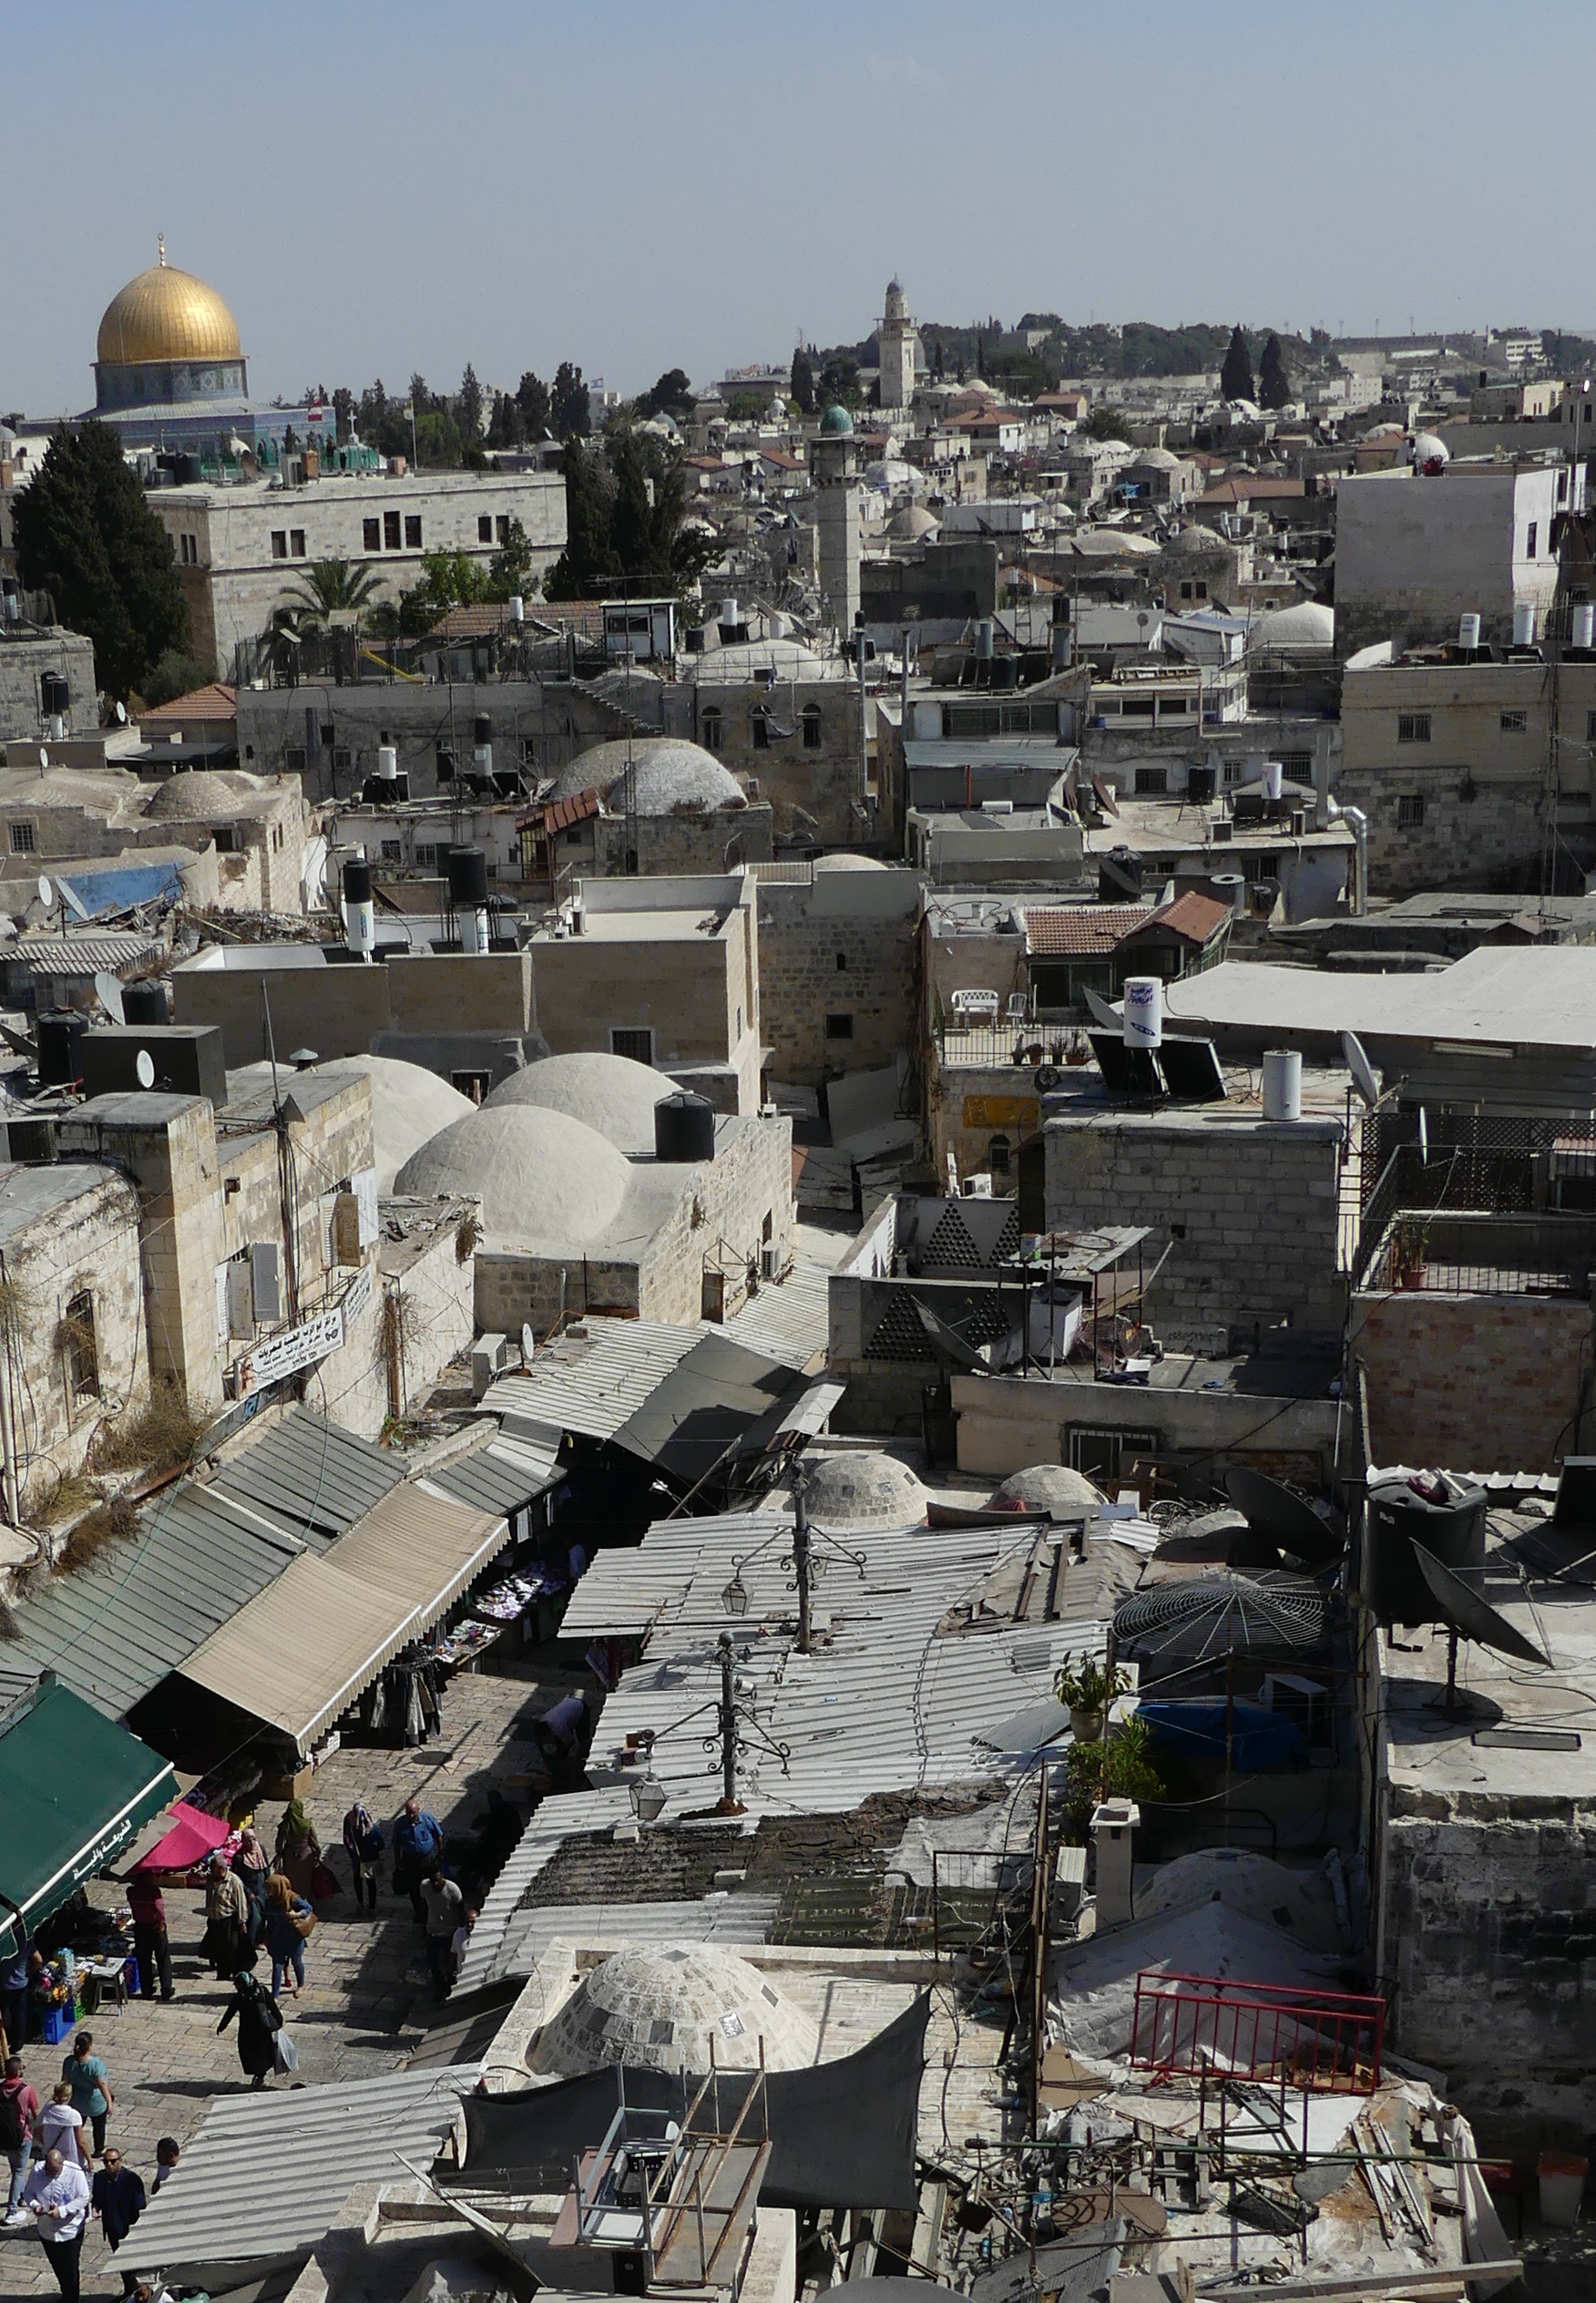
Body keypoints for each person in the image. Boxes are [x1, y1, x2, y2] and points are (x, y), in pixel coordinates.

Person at [22, 2147, 91, 2303]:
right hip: (47, 2231)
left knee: (71, 2268)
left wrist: (62, 2211)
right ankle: (66, 2294)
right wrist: (35, 2206)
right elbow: (28, 2193)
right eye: (48, 2169)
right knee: (57, 2265)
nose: (50, 2173)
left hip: (70, 2231)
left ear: (62, 2163)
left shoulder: (75, 2173)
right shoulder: (38, 2171)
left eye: (54, 2170)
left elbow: (83, 2197)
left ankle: (72, 2298)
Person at [91, 2148, 146, 2297]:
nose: (109, 2165)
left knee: (134, 2264)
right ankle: (129, 2290)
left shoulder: (131, 2180)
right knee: (121, 2263)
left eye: (113, 2161)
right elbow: (98, 2198)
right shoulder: (99, 2178)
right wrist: (95, 2208)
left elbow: (140, 2207)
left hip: (128, 2230)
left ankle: (141, 2292)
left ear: (120, 2161)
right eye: (106, 2162)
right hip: (112, 2229)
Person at [217, 1968, 281, 2089]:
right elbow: (273, 2007)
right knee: (263, 2053)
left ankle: (259, 2075)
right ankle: (260, 2074)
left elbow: (229, 2013)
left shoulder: (239, 1997)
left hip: (248, 2031)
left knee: (253, 2055)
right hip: (262, 2030)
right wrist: (279, 2020)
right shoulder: (262, 1991)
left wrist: (222, 2026)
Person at [392, 1799, 445, 1924]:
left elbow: (439, 1834)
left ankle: (431, 1909)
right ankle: (418, 1912)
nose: (411, 1816)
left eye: (414, 1813)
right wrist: (397, 1859)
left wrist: (441, 1851)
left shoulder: (427, 1819)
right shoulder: (400, 1824)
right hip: (410, 1859)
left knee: (430, 1883)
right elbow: (396, 1842)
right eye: (409, 1813)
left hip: (427, 1857)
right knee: (413, 1886)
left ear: (418, 1811)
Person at [2, 2052, 39, 2225]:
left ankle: (22, 2196)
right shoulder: (27, 2090)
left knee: (15, 2166)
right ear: (18, 2072)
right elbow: (35, 2113)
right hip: (22, 2136)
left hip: (4, 2137)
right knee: (18, 2171)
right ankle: (12, 2211)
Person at [261, 1874, 312, 2001]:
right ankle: (275, 1996)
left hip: (293, 1938)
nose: (268, 1891)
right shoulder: (270, 1901)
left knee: (296, 1961)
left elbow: (308, 1908)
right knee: (277, 1965)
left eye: (270, 1888)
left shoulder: (292, 1898)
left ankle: (301, 1985)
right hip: (277, 1938)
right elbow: (268, 1920)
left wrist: (296, 1914)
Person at [60, 2034, 111, 2158]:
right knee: (99, 2126)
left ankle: (74, 2144)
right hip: (95, 2102)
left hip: (76, 2101)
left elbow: (64, 2081)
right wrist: (109, 2102)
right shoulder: (95, 2064)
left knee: (77, 2125)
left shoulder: (69, 2062)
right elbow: (102, 2084)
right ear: (89, 2046)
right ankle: (99, 2148)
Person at [125, 1875, 173, 2004]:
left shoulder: (131, 1891)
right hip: (155, 1927)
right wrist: (162, 1924)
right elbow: (159, 1909)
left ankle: (146, 1990)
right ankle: (166, 1989)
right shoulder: (154, 1891)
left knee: (144, 1960)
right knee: (163, 1959)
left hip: (141, 1928)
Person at [420, 1866, 465, 2002]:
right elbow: (423, 1905)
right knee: (433, 1962)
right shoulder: (424, 1887)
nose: (436, 1884)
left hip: (448, 1933)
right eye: (433, 1881)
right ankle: (439, 1986)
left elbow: (460, 1910)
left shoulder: (453, 1890)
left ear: (443, 1877)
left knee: (448, 1962)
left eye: (438, 1880)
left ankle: (449, 1986)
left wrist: (459, 1930)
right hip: (432, 1931)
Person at [203, 1853, 250, 1980]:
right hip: (214, 1920)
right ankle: (222, 1974)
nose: (212, 1870)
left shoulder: (234, 1882)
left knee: (231, 1948)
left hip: (228, 1920)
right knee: (218, 1949)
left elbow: (241, 1903)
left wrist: (242, 1921)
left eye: (214, 1867)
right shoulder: (211, 1880)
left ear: (221, 1868)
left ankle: (236, 1974)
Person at [342, 1803, 384, 1917]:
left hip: (358, 1859)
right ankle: (371, 1907)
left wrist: (352, 1851)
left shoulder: (351, 1823)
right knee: (370, 1883)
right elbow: (381, 1844)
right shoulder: (372, 1829)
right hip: (368, 1859)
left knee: (358, 1880)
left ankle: (361, 1904)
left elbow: (346, 1838)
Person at [273, 1801, 321, 1899]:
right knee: (305, 1880)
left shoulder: (285, 1826)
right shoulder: (307, 1825)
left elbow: (279, 1843)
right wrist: (317, 1854)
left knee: (292, 1881)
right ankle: (305, 1899)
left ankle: (292, 1899)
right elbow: (314, 1842)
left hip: (290, 1857)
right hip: (305, 1857)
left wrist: (280, 1853)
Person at [230, 1829, 271, 1944]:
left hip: (262, 1888)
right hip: (251, 1892)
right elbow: (237, 1879)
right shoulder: (239, 1857)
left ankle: (260, 1940)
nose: (252, 1843)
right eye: (249, 1841)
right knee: (254, 1918)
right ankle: (250, 1943)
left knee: (263, 1916)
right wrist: (248, 1893)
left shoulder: (260, 1850)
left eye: (253, 1839)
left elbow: (266, 1868)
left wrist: (269, 1884)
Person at [37, 2083, 87, 2173]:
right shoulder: (73, 2115)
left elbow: (37, 2132)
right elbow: (81, 2142)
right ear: (69, 2096)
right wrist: (89, 2159)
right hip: (71, 2159)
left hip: (51, 2156)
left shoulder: (47, 2110)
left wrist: (46, 2143)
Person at [0, 1926, 29, 2056]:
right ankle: (17, 2045)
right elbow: (38, 1959)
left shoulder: (3, 1942)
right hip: (20, 1985)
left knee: (2, 2016)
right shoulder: (26, 1941)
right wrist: (30, 1972)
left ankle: (3, 2043)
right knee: (19, 2016)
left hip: (3, 1985)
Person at [450, 1905, 478, 1988]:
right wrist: (450, 1972)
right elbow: (453, 1954)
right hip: (461, 1976)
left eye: (472, 1922)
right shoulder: (458, 1934)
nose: (469, 1924)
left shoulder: (482, 1936)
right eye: (467, 1921)